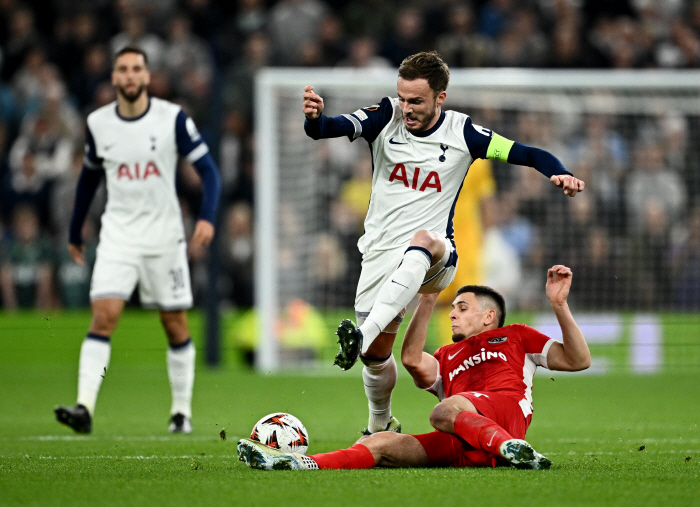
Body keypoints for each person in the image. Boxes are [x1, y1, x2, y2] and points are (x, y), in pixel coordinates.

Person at [301, 51, 585, 434]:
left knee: (424, 240)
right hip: (382, 254)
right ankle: (380, 423)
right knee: (374, 359)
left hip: (438, 254)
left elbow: (527, 153)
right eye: (402, 98)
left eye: (416, 101)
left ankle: (361, 335)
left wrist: (560, 173)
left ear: (441, 97)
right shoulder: (384, 117)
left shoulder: (462, 133)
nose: (406, 108)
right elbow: (327, 129)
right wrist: (315, 118)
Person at [237, 265, 590, 471]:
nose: (452, 312)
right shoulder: (447, 355)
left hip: (503, 416)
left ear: (489, 316)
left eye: (462, 307)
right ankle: (298, 464)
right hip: (463, 440)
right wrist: (427, 298)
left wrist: (559, 304)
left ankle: (511, 447)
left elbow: (578, 360)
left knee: (444, 409)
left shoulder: (517, 337)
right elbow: (410, 360)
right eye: (452, 307)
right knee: (380, 441)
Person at [54, 47, 221, 434]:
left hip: (165, 238)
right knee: (104, 316)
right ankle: (84, 408)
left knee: (175, 324)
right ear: (113, 78)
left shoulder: (172, 118)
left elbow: (208, 171)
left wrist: (207, 217)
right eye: (123, 70)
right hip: (118, 236)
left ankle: (181, 412)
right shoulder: (97, 123)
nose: (130, 76)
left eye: (137, 69)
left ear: (146, 77)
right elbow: (88, 179)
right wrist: (75, 230)